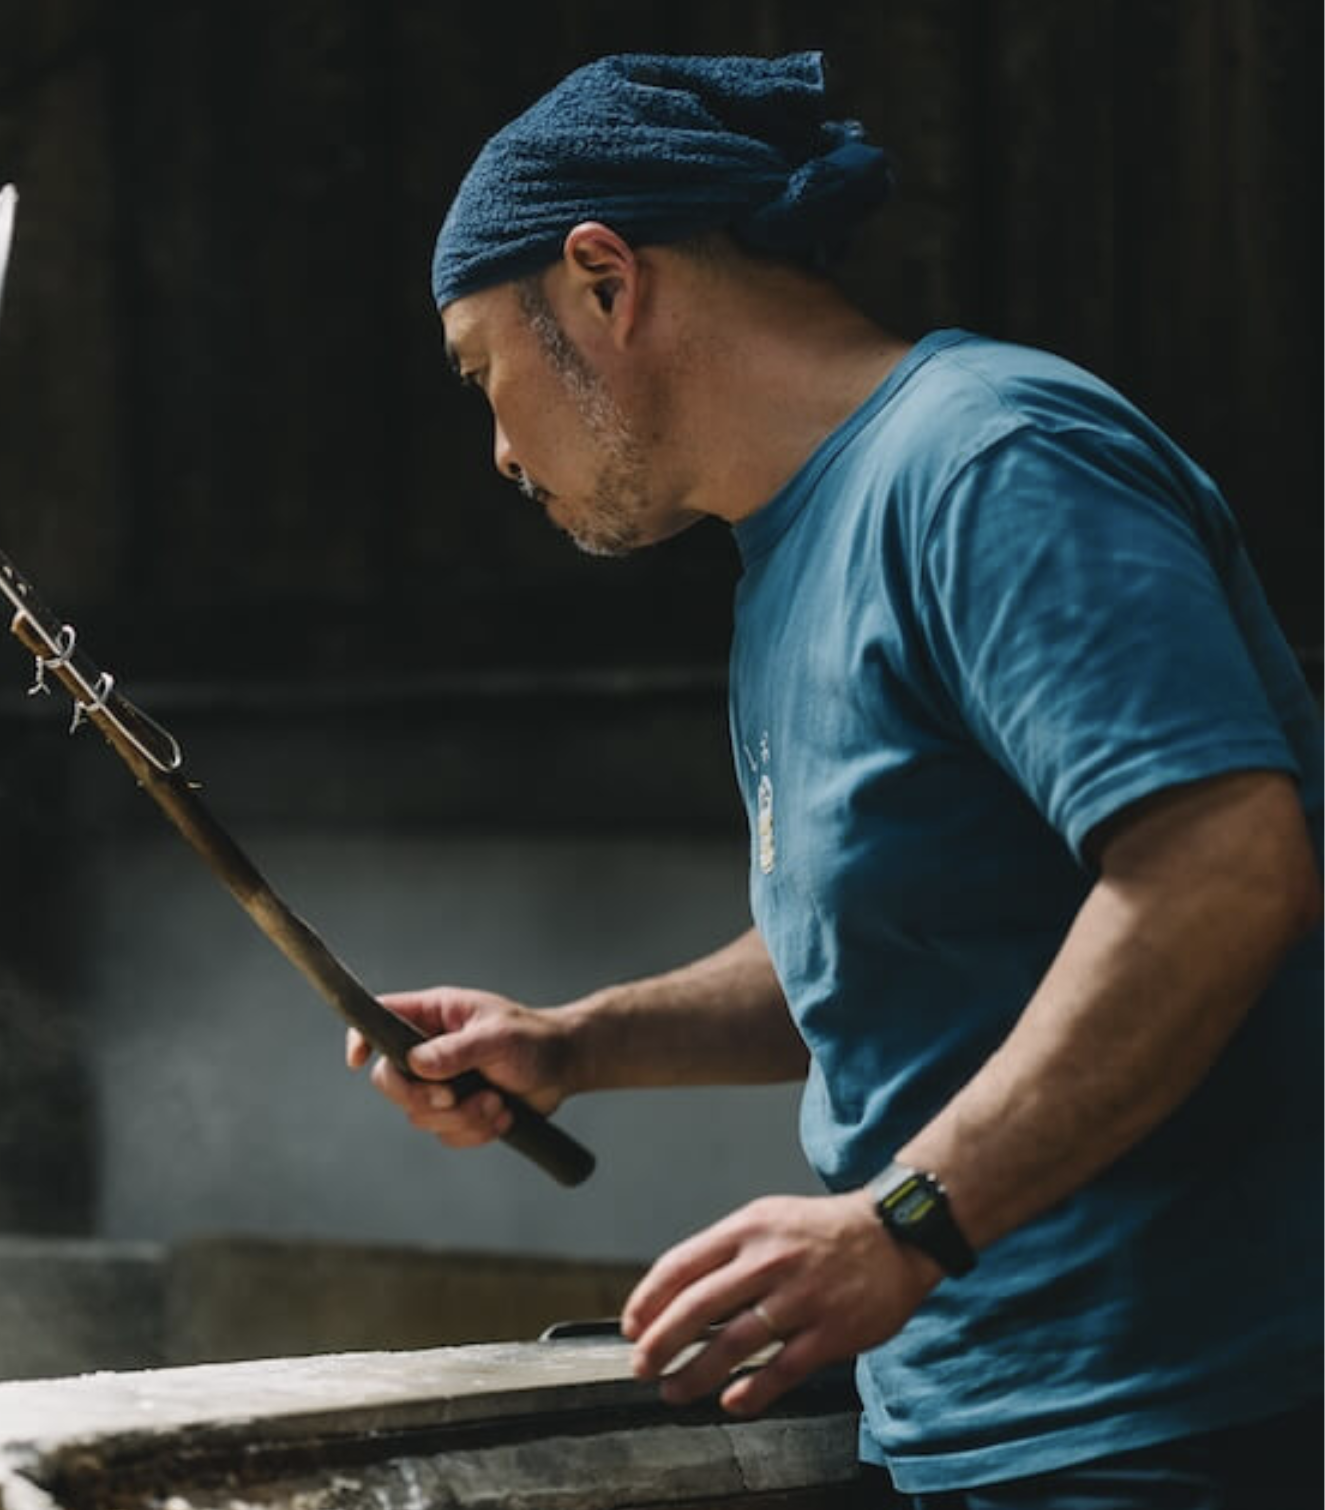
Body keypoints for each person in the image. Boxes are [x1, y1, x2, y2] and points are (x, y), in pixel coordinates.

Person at [346, 51, 1322, 1509]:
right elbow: (891, 930)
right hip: (967, 1423)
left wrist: (905, 1221)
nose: (497, 448)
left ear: (605, 283)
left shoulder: (990, 460)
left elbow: (1224, 870)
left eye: (486, 372)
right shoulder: (791, 553)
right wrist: (573, 1041)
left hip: (1165, 1418)